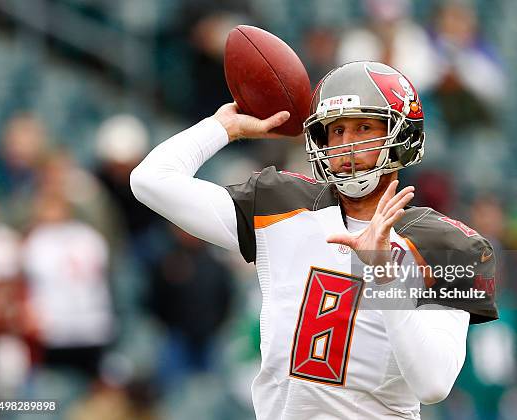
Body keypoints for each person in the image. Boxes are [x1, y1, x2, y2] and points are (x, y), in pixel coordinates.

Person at [131, 61, 498, 419]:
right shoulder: (280, 205)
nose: (346, 144)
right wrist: (223, 128)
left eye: (363, 128)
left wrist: (387, 275)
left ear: (402, 136)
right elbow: (150, 181)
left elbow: (433, 385)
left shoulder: (446, 244)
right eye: (336, 131)